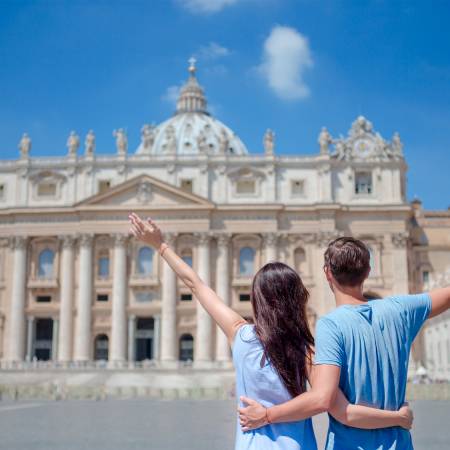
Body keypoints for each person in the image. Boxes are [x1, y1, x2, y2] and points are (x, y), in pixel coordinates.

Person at [128, 215, 413, 450]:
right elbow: (335, 406)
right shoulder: (309, 351)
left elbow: (196, 285)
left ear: (256, 299)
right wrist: (396, 417)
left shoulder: (240, 335)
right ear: (298, 299)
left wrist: (161, 246)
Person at [238, 237, 450, 449]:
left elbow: (331, 403)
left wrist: (266, 415)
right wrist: (397, 418)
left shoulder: (330, 326)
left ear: (327, 273)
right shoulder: (401, 309)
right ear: (368, 270)